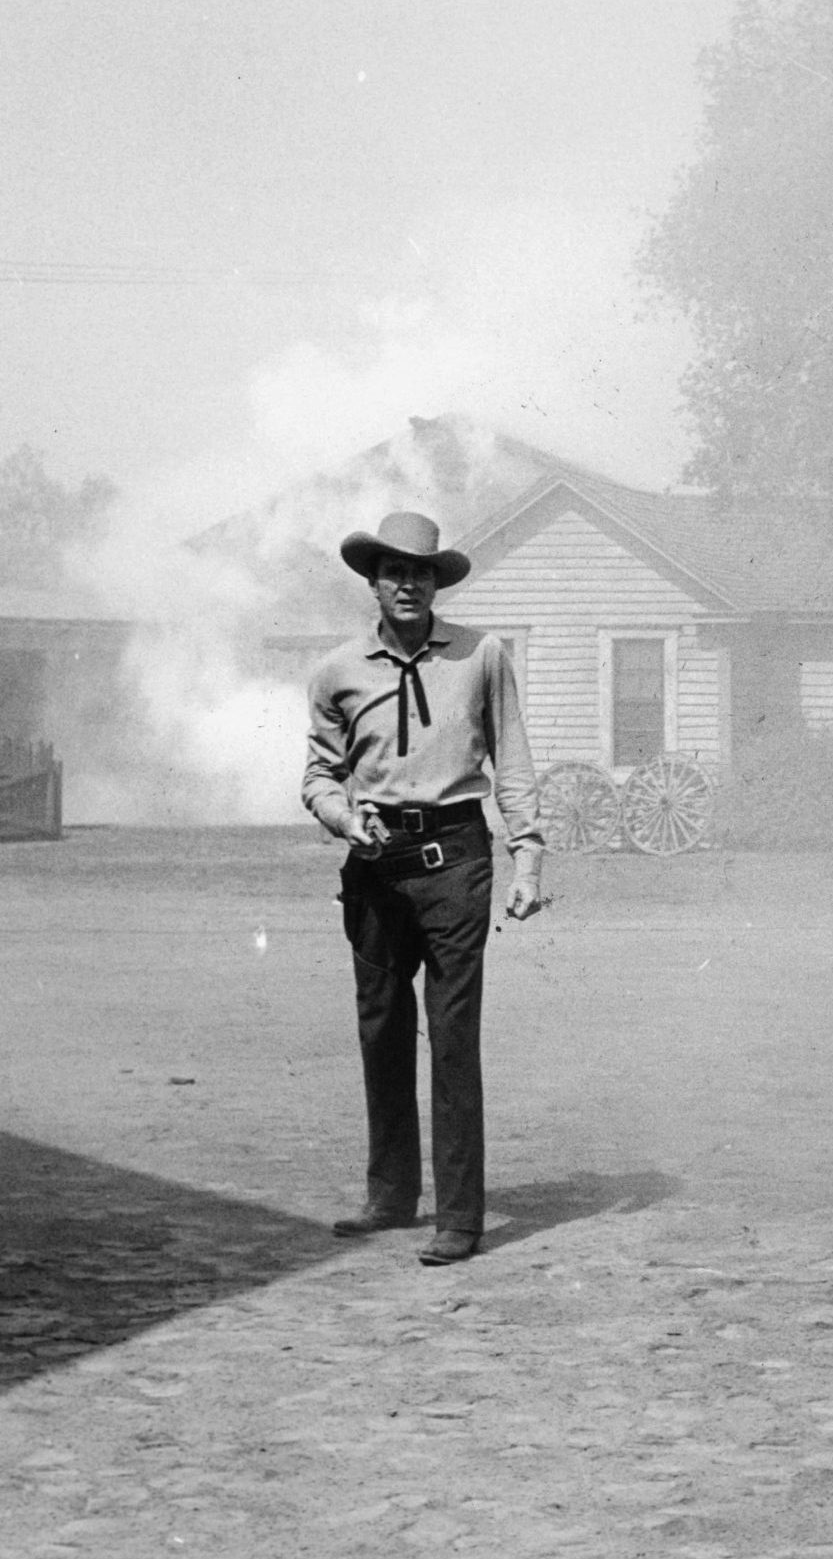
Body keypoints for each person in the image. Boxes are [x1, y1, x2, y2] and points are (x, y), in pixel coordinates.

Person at [302, 510, 547, 1267]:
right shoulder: (337, 671)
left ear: (436, 583)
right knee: (380, 1026)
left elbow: (512, 760)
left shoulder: (482, 655)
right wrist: (344, 818)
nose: (407, 584)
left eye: (420, 572)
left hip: (456, 860)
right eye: (393, 572)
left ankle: (460, 1215)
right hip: (375, 865)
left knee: (451, 1032)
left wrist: (529, 856)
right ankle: (390, 1194)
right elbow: (319, 775)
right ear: (373, 584)